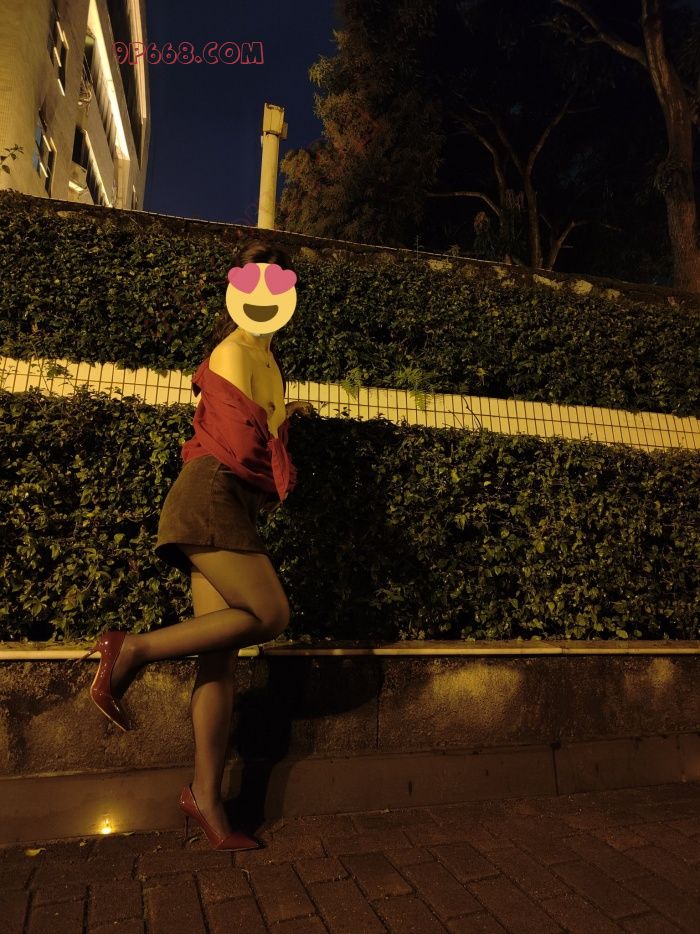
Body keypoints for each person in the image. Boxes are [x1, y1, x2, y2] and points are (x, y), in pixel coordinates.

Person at [81, 241, 313, 851]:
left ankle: (204, 798)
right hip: (211, 494)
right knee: (272, 613)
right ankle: (130, 649)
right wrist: (279, 427)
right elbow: (243, 444)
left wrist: (284, 416)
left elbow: (262, 440)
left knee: (220, 660)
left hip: (229, 501)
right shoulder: (232, 352)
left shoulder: (269, 362)